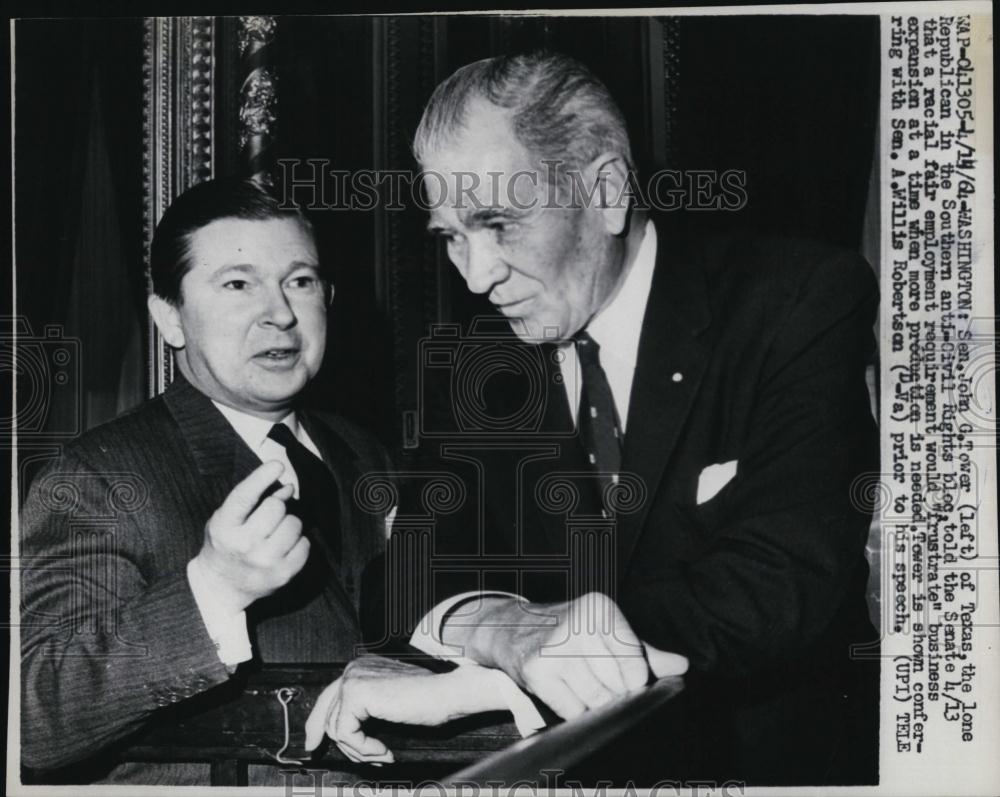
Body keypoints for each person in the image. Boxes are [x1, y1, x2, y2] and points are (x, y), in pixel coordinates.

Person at [309, 52, 880, 786]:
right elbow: (404, 580)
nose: (476, 276)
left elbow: (778, 586)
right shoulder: (482, 364)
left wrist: (525, 656)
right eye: (449, 235)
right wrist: (511, 633)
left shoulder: (795, 304)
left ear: (607, 191)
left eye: (497, 223)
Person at [19, 178, 393, 785]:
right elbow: (35, 720)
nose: (280, 313)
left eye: (299, 281)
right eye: (239, 284)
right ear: (170, 318)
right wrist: (212, 592)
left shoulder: (365, 453)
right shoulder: (99, 477)